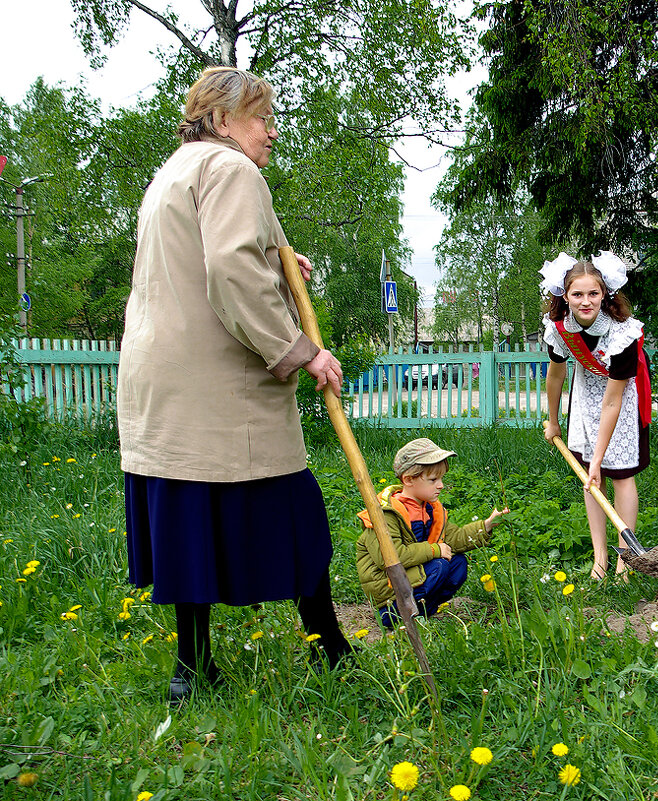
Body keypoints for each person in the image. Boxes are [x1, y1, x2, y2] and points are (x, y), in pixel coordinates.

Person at [118, 67, 352, 705]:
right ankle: (331, 652)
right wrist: (300, 352)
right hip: (219, 390)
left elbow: (206, 261)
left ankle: (190, 670)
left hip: (163, 388)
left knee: (188, 522)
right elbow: (227, 270)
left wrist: (278, 262)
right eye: (263, 119)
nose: (272, 133)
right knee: (299, 516)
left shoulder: (172, 171)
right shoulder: (232, 170)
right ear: (224, 122)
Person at [541, 252, 652, 580]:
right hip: (584, 401)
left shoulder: (623, 334)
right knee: (591, 483)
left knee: (619, 476)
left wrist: (598, 458)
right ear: (565, 295)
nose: (585, 301)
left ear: (606, 294)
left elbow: (613, 402)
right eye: (577, 294)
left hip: (621, 406)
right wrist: (553, 420)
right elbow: (555, 375)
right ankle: (600, 559)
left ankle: (625, 561)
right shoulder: (560, 329)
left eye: (593, 293)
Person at [356, 438, 509, 626]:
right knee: (439, 566)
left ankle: (424, 610)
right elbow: (390, 558)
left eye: (441, 478)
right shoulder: (385, 514)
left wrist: (486, 525)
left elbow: (453, 538)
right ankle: (395, 614)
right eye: (433, 480)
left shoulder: (429, 510)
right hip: (389, 589)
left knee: (458, 563)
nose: (441, 485)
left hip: (414, 574)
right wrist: (435, 550)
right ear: (408, 479)